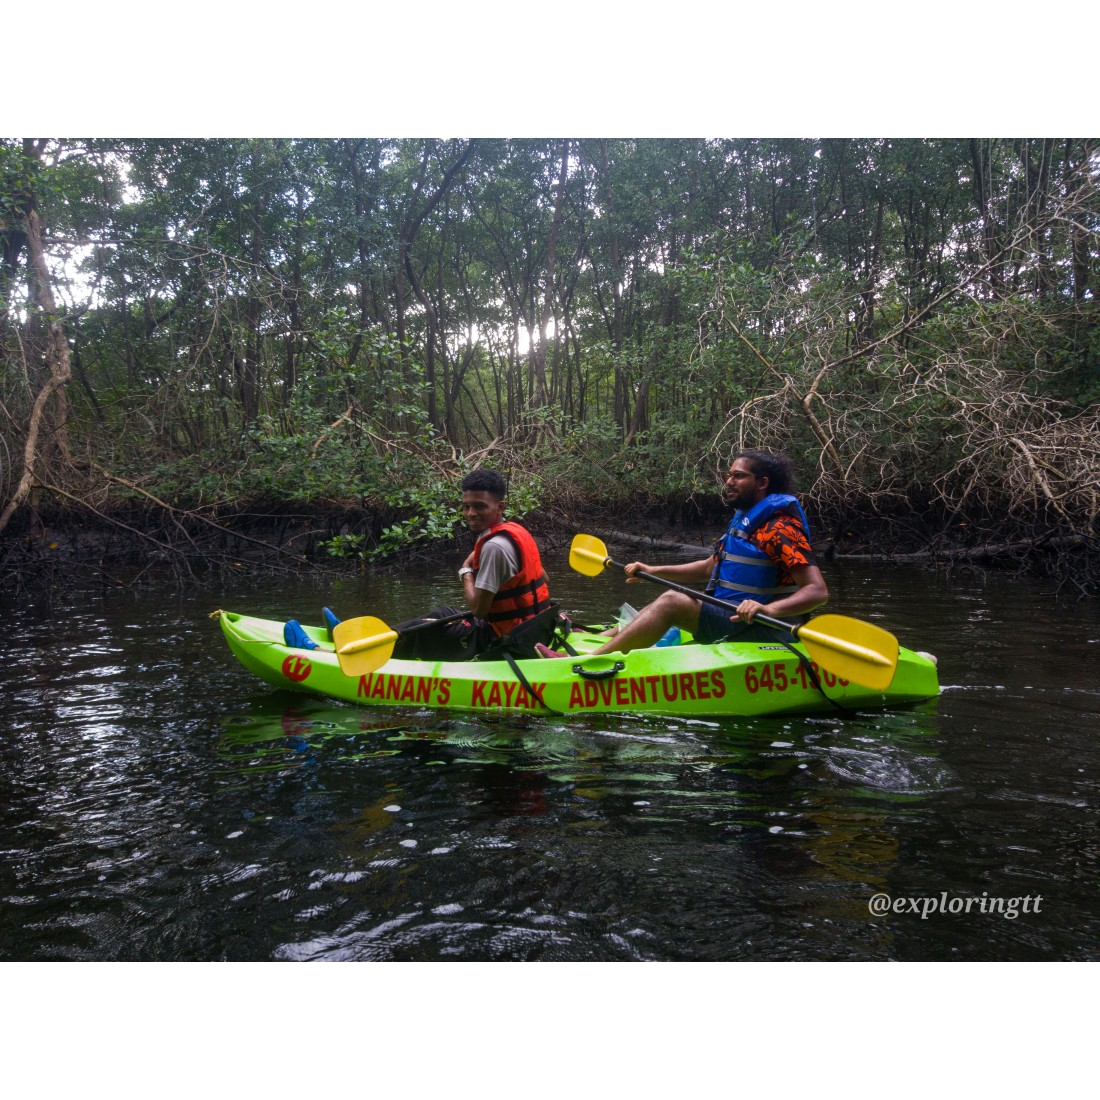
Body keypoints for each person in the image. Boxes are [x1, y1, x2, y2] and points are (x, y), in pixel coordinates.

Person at [537, 449, 827, 658]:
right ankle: (602, 639)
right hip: (732, 617)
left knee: (672, 601)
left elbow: (816, 591)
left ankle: (592, 659)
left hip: (761, 627)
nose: (728, 481)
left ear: (762, 483)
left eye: (738, 476)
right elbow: (706, 569)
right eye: (728, 475)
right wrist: (652, 571)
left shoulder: (780, 529)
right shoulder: (746, 521)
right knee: (670, 592)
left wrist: (769, 609)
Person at [322, 469, 555, 662]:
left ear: (500, 506)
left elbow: (479, 611)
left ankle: (345, 653)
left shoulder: (495, 547)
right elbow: (543, 579)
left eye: (480, 506)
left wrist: (466, 572)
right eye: (466, 506)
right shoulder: (517, 532)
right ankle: (362, 638)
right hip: (532, 629)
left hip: (506, 640)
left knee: (427, 629)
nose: (470, 513)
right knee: (443, 614)